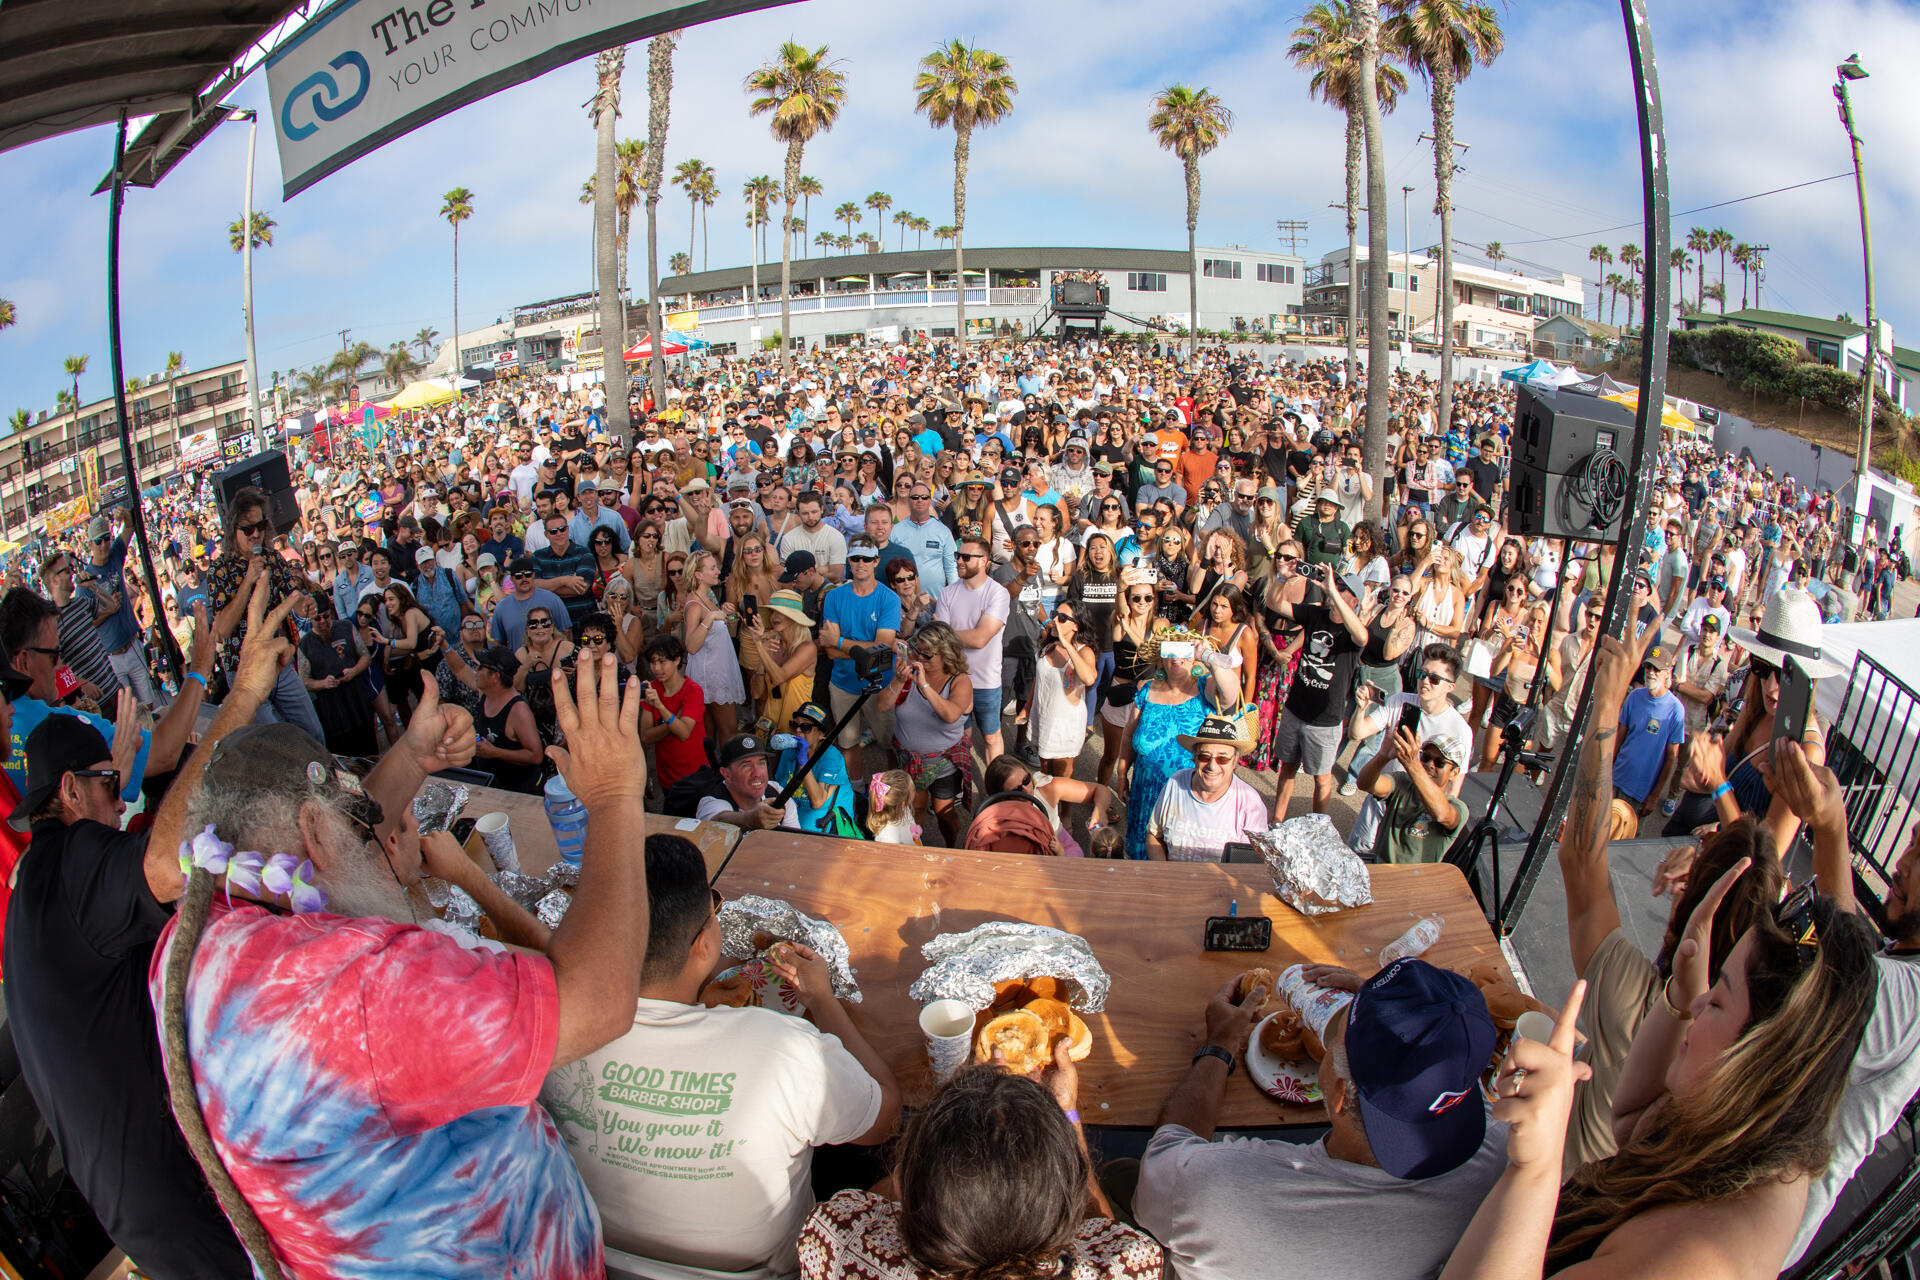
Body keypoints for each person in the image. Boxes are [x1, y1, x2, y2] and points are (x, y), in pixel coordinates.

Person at [149, 647, 648, 1280]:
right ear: (313, 829)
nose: (374, 843)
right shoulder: (356, 987)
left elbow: (325, 852)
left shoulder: (192, 938)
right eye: (347, 827)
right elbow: (600, 1004)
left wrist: (412, 758)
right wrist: (612, 797)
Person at [1442, 865, 1879, 1278]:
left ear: (1759, 1058)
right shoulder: (1760, 1131)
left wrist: (1534, 1169)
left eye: (1719, 999)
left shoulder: (1700, 1262)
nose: (1701, 1004)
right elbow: (1631, 1124)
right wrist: (1680, 998)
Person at [543, 834, 898, 1279]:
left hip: (596, 1262)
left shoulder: (549, 1029)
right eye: (713, 914)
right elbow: (886, 1117)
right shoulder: (785, 1049)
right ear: (703, 944)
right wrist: (824, 1001)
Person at [1553, 633, 1786, 1174]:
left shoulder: (1631, 998)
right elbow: (1763, 898)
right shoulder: (1739, 1065)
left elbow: (1580, 860)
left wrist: (1604, 710)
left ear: (1686, 907)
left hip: (1551, 1205)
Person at [1135, 961, 1506, 1280]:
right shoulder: (1504, 1156)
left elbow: (1167, 1151)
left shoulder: (1209, 1188)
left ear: (1341, 1094)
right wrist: (1386, 1012)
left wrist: (1219, 1045)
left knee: (1121, 1171)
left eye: (1335, 1041)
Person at [799, 1063, 1162, 1280]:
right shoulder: (1127, 1266)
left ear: (901, 1178)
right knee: (1125, 1172)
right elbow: (1106, 1226)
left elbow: (874, 1201)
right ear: (1066, 1212)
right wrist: (1067, 1113)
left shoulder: (838, 1240)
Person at [1125, 630, 1242, 860]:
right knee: (1143, 863)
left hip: (1188, 795)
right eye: (1170, 651)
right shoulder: (1146, 690)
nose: (1177, 658)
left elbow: (1231, 693)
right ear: (1161, 657)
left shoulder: (1205, 688)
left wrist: (1205, 655)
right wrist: (1121, 772)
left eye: (1184, 651)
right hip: (1146, 792)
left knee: (1179, 861)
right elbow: (1129, 733)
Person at [1344, 644, 1471, 855]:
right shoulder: (1400, 702)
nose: (1425, 681)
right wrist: (1361, 708)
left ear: (1450, 687)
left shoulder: (1460, 730)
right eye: (1422, 673)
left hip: (1414, 818)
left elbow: (1452, 790)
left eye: (1435, 679)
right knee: (1355, 860)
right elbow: (1357, 733)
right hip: (1380, 801)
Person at [1267, 565, 1367, 820]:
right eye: (1336, 584)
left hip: (1325, 721)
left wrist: (1332, 590)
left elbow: (1363, 637)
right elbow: (1275, 603)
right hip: (1296, 709)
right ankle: (1277, 821)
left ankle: (1318, 827)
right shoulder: (1316, 615)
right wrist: (1282, 577)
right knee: (1287, 767)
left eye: (1344, 588)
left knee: (1322, 779)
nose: (1336, 589)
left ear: (1354, 600)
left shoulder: (1352, 631)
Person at [819, 535, 901, 781]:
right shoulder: (834, 596)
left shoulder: (889, 598)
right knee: (848, 743)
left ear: (876, 561)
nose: (860, 563)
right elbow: (829, 650)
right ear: (849, 561)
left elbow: (883, 646)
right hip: (844, 683)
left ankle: (891, 793)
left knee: (890, 744)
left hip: (880, 685)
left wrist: (841, 642)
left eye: (866, 558)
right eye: (855, 558)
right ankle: (856, 789)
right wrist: (867, 647)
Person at [886, 620, 974, 847]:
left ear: (946, 653)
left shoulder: (960, 681)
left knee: (944, 812)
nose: (919, 659)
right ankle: (916, 852)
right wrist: (897, 681)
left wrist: (924, 685)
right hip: (908, 759)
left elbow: (951, 715)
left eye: (927, 655)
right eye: (917, 651)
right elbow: (881, 706)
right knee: (914, 808)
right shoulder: (909, 673)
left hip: (943, 765)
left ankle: (952, 845)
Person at [1144, 714, 1268, 862]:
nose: (1212, 766)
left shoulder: (1250, 802)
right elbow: (1154, 835)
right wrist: (1164, 874)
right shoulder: (1175, 783)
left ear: (1235, 761)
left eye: (1222, 758)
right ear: (1194, 758)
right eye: (1204, 757)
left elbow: (1253, 861)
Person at [934, 536, 1010, 761]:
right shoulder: (948, 592)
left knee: (990, 737)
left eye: (966, 557)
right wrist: (956, 634)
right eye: (958, 556)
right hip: (954, 680)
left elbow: (980, 639)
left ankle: (997, 792)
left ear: (984, 560)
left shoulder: (997, 593)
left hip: (986, 681)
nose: (959, 561)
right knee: (960, 738)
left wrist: (948, 633)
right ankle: (962, 787)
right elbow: (939, 639)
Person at [1352, 725, 1467, 864]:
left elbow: (1442, 814)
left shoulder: (1457, 807)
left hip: (1415, 880)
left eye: (1439, 763)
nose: (1430, 765)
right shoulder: (1402, 782)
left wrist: (1412, 764)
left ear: (1454, 773)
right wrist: (1382, 756)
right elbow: (1365, 784)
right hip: (1381, 869)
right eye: (1426, 757)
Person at [442, 643, 546, 794]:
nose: (475, 671)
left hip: (521, 792)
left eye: (481, 667)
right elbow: (460, 669)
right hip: (495, 787)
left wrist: (495, 752)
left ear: (495, 677)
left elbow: (535, 756)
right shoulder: (485, 693)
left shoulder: (518, 710)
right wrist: (444, 644)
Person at [1610, 642, 1687, 821]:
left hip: (1641, 792)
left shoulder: (1676, 710)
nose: (1651, 672)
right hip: (1617, 780)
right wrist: (1606, 772)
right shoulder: (1635, 696)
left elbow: (1670, 758)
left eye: (1657, 669)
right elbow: (1619, 738)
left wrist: (1654, 796)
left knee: (1625, 845)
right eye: (1649, 667)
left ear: (1668, 673)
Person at [296, 597, 377, 758]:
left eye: (326, 616)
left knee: (370, 750)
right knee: (345, 757)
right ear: (311, 619)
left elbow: (365, 657)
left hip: (357, 699)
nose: (323, 621)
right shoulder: (305, 644)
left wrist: (354, 671)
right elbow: (303, 681)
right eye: (317, 618)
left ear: (331, 613)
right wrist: (322, 683)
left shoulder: (346, 627)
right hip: (332, 710)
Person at [1029, 600, 1098, 778]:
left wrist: (1067, 644)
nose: (1055, 620)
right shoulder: (1048, 645)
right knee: (1045, 773)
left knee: (1062, 781)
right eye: (1054, 615)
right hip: (1043, 718)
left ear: (1076, 626)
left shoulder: (1084, 651)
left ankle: (1065, 808)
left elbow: (1089, 679)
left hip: (1065, 726)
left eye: (1062, 618)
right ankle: (1046, 807)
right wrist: (1026, 709)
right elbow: (1038, 680)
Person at [682, 550, 745, 742]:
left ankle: (713, 768)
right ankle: (727, 770)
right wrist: (710, 617)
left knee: (710, 730)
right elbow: (691, 646)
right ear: (698, 575)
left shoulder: (707, 598)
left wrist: (727, 615)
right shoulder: (694, 605)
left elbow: (722, 635)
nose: (718, 571)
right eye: (712, 568)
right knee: (729, 729)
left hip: (718, 669)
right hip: (711, 675)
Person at [641, 633, 707, 790]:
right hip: (667, 777)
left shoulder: (693, 691)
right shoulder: (652, 688)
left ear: (677, 660)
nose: (656, 668)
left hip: (696, 775)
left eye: (662, 662)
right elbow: (645, 737)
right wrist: (674, 721)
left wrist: (659, 706)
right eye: (652, 662)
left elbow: (684, 733)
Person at [782, 701, 858, 835]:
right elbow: (780, 789)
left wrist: (803, 762)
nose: (798, 730)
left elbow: (817, 801)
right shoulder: (788, 751)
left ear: (821, 734)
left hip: (824, 825)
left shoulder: (832, 758)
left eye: (806, 727)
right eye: (794, 725)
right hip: (792, 816)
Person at [490, 555, 572, 651]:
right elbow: (498, 644)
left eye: (528, 574)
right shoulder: (501, 608)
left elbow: (566, 633)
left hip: (551, 663)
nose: (524, 579)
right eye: (518, 576)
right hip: (518, 664)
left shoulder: (552, 600)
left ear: (533, 575)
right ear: (511, 579)